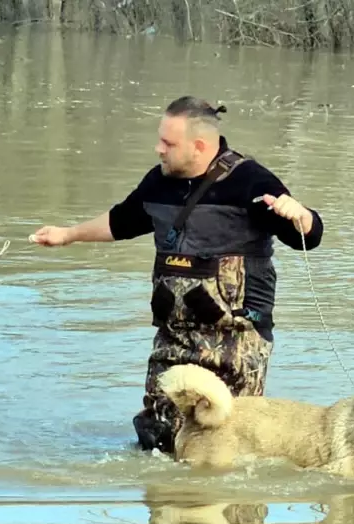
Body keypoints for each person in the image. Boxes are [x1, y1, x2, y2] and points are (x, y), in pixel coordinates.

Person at [30, 95, 324, 453]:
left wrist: (303, 215)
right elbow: (122, 221)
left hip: (236, 342)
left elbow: (306, 236)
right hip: (173, 339)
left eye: (168, 143)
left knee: (226, 443)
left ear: (198, 146)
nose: (158, 149)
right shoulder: (159, 182)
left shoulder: (251, 182)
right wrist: (68, 234)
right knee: (157, 441)